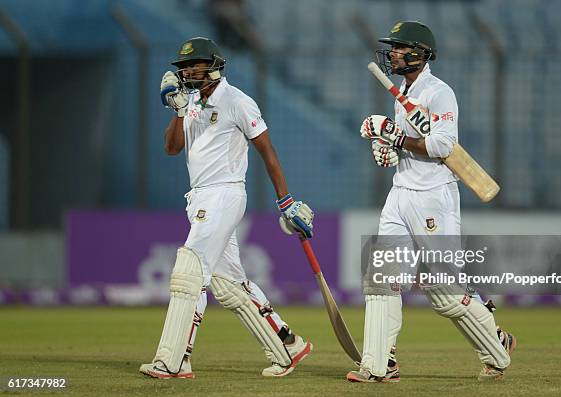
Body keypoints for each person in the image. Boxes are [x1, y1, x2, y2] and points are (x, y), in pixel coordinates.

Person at [347, 21, 516, 383]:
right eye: (391, 47)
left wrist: (397, 139)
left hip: (434, 199)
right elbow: (407, 144)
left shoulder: (439, 93)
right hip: (400, 194)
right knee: (382, 278)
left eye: (398, 47)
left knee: (444, 293)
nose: (391, 53)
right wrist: (386, 146)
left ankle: (496, 347)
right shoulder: (403, 92)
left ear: (419, 53)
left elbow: (442, 146)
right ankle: (379, 364)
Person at [139, 37, 314, 379]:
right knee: (227, 283)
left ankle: (174, 360)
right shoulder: (188, 103)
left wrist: (286, 200)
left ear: (214, 66)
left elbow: (268, 151)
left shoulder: (237, 101)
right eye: (184, 67)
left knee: (190, 273)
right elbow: (172, 148)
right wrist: (176, 111)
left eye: (194, 65)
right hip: (200, 196)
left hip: (225, 194)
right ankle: (287, 345)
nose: (187, 71)